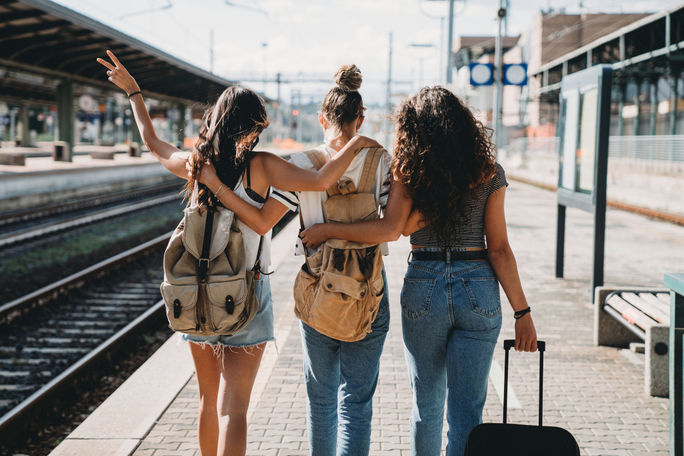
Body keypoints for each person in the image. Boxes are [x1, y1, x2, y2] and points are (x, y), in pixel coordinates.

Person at [96, 50, 379, 456]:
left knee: (207, 402)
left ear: (216, 120)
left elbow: (154, 143)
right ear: (252, 129)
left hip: (196, 294)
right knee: (236, 409)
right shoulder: (262, 167)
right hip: (247, 292)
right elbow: (320, 179)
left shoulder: (195, 165)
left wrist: (134, 93)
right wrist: (356, 144)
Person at [300, 86, 538, 456]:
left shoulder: (410, 171)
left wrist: (434, 191)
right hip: (477, 283)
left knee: (427, 408)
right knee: (467, 413)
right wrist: (522, 312)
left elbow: (402, 228)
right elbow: (500, 249)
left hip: (424, 284)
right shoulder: (488, 172)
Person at [192, 64, 392, 456]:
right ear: (361, 118)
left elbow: (269, 216)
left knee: (321, 402)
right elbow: (394, 226)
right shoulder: (381, 160)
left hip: (318, 290)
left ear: (321, 119)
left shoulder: (301, 163)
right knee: (358, 404)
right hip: (369, 289)